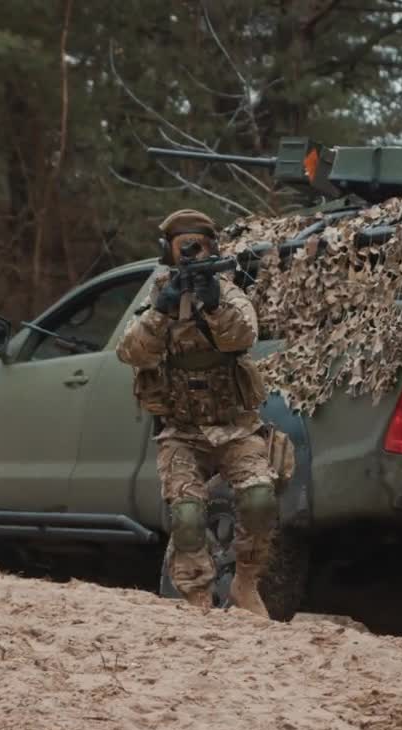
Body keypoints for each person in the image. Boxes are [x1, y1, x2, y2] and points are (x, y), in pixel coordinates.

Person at [116, 209, 278, 617]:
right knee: (187, 516)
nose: (190, 250)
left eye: (198, 243)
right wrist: (162, 312)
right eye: (182, 243)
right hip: (182, 431)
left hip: (235, 427)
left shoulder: (227, 293)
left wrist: (213, 304)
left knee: (259, 498)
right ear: (167, 251)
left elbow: (242, 337)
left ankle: (246, 582)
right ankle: (197, 598)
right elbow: (129, 351)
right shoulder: (158, 296)